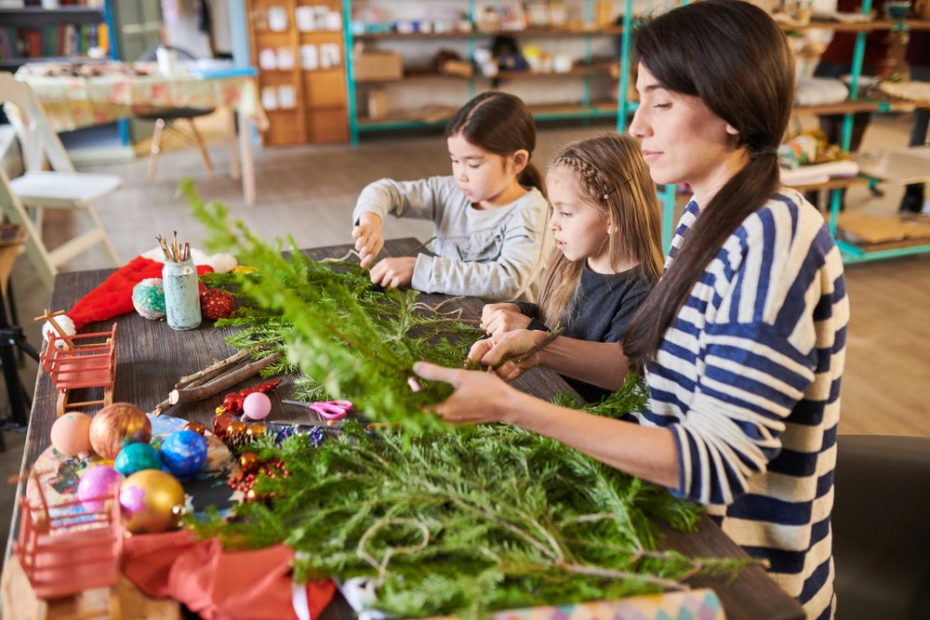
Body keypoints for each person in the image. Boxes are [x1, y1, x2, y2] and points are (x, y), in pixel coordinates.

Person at [414, 2, 847, 618]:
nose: (637, 125)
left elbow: (713, 463)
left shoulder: (772, 241)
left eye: (660, 103)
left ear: (731, 108)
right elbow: (652, 371)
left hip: (737, 576)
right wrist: (539, 346)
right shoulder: (703, 215)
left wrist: (515, 408)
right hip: (666, 523)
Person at [479, 133, 663, 402]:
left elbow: (612, 381)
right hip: (543, 391)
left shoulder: (643, 290)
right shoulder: (570, 259)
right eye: (554, 210)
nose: (553, 223)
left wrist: (530, 331)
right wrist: (517, 310)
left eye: (565, 212)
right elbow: (554, 320)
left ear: (613, 216)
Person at [351, 92, 552, 301]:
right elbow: (386, 191)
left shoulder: (532, 212)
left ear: (517, 161)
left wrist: (420, 270)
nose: (461, 175)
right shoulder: (449, 191)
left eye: (473, 164)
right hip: (446, 314)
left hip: (502, 330)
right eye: (455, 160)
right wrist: (370, 219)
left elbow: (508, 280)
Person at [900, 29, 930, 214]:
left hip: (922, 53)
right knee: (920, 126)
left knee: (919, 128)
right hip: (924, 53)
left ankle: (912, 195)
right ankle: (913, 192)